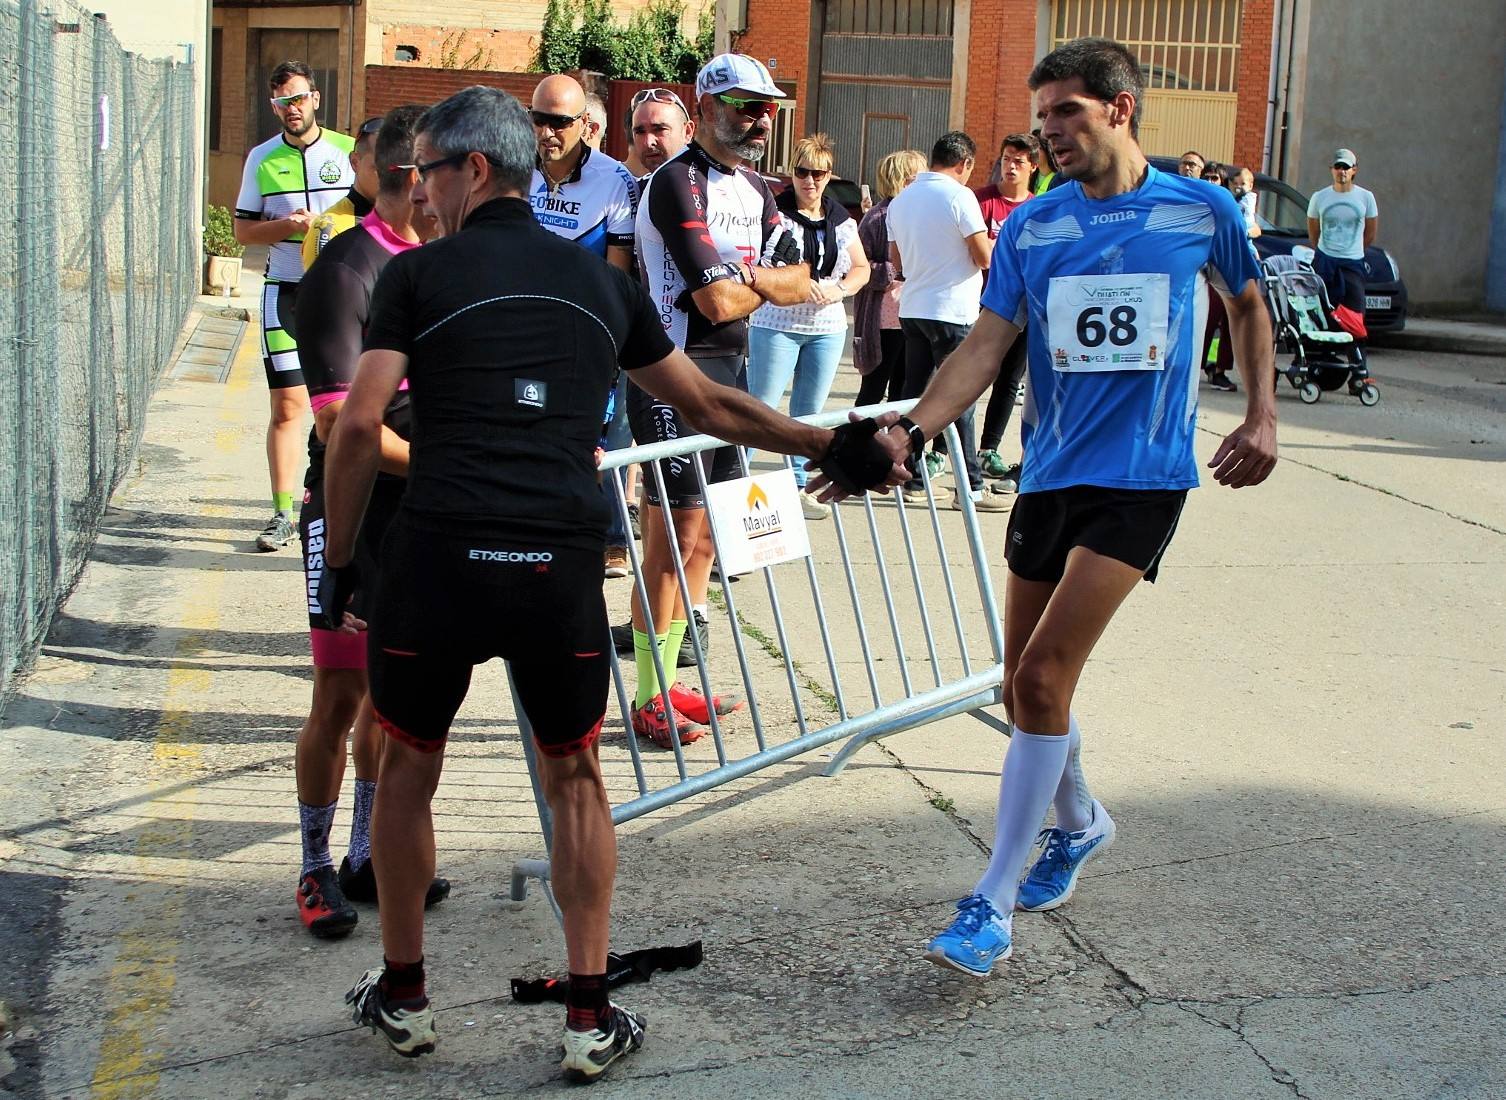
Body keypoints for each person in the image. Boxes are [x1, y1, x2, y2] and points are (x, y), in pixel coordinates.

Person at [323, 84, 901, 1078]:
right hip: (555, 561)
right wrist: (827, 442)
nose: (415, 192)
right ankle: (589, 1015)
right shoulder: (597, 281)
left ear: (474, 169)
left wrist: (342, 562)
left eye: (426, 173)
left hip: (437, 556)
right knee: (576, 775)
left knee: (409, 768)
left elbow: (355, 425)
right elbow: (709, 403)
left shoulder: (415, 276)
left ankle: (406, 995)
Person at [812, 36, 1277, 978]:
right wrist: (911, 429)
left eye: (1068, 111)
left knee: (1042, 674)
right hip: (1049, 473)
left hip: (1141, 479)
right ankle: (1082, 820)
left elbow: (1248, 304)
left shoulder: (1201, 208)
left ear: (1121, 107)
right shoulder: (1034, 225)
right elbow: (986, 345)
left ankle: (990, 901)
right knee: (1022, 684)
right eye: (1043, 115)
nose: (1050, 131)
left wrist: (1262, 414)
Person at [618, 53, 814, 746]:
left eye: (767, 107)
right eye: (744, 106)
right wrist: (761, 280)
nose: (760, 118)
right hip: (671, 374)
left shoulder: (757, 188)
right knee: (671, 540)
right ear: (703, 107)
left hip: (731, 370)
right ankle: (647, 696)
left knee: (704, 539)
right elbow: (715, 301)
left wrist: (748, 277)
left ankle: (672, 680)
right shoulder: (676, 182)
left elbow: (803, 278)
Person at [288, 105, 450, 938]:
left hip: (418, 513)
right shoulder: (348, 270)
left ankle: (364, 852)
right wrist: (441, 466)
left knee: (394, 698)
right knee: (341, 694)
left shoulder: (441, 264)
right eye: (442, 172)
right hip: (350, 508)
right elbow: (334, 424)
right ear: (410, 178)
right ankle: (314, 865)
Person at [234, 61, 355, 552]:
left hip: (342, 295)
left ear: (316, 98)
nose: (292, 109)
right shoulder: (261, 158)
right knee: (287, 406)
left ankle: (342, 503)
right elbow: (243, 231)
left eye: (299, 98)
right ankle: (282, 513)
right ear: (274, 107)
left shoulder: (348, 150)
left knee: (346, 408)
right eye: (282, 102)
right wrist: (289, 226)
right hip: (285, 291)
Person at [529, 74, 640, 577]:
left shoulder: (614, 180)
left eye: (559, 122)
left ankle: (613, 537)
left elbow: (617, 273)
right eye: (539, 120)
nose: (547, 132)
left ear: (586, 125)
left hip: (588, 331)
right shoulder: (514, 169)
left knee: (606, 439)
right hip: (526, 329)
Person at [747, 133, 870, 521]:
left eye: (818, 173)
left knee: (809, 414)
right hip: (776, 323)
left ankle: (799, 487)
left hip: (826, 329)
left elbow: (861, 268)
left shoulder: (841, 219)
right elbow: (759, 265)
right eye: (802, 172)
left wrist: (840, 289)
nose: (810, 181)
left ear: (829, 175)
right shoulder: (775, 213)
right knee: (759, 408)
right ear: (792, 173)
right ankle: (734, 483)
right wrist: (796, 283)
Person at [886, 130, 1009, 513]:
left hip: (914, 307)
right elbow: (983, 257)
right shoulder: (960, 196)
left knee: (914, 396)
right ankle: (970, 486)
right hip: (952, 310)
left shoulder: (901, 200)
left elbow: (897, 260)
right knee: (961, 398)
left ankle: (913, 479)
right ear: (964, 163)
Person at [972, 133, 1037, 489]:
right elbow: (974, 251)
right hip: (980, 304)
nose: (1010, 167)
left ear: (1033, 167)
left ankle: (989, 449)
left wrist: (994, 245)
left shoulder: (1037, 209)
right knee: (970, 375)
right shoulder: (982, 200)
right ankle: (942, 448)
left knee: (1009, 380)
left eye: (1019, 161)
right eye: (1007, 159)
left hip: (1022, 307)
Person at [853, 149, 926, 407]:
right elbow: (858, 264)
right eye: (919, 177)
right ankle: (859, 434)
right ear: (903, 180)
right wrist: (895, 269)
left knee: (904, 391)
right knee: (873, 389)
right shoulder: (876, 218)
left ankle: (894, 434)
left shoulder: (922, 216)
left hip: (914, 314)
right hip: (885, 319)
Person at [301, 115, 383, 270]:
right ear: (355, 162)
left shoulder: (410, 220)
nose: (391, 176)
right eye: (380, 167)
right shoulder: (328, 229)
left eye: (397, 167)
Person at [1307, 147, 1378, 323]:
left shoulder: (1366, 197)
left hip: (1352, 263)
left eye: (1346, 167)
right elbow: (1313, 231)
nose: (1342, 171)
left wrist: (1353, 250)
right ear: (1331, 170)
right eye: (1338, 167)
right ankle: (1323, 341)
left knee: (1354, 315)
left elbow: (1370, 233)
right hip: (1325, 262)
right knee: (1321, 314)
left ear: (1354, 170)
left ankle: (1352, 341)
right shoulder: (1319, 197)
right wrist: (1325, 251)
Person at [622, 87, 694, 180]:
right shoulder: (620, 185)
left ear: (687, 132)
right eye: (640, 132)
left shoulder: (709, 184)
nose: (648, 142)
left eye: (659, 129)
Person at [1231, 166, 1260, 238]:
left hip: (1247, 224)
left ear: (1250, 186)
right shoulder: (1237, 196)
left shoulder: (1249, 197)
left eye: (1242, 183)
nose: (1238, 186)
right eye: (1235, 183)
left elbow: (1239, 208)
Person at [1030, 129, 1059, 194]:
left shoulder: (1059, 180)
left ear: (1048, 150)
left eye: (1037, 148)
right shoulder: (1030, 175)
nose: (1033, 152)